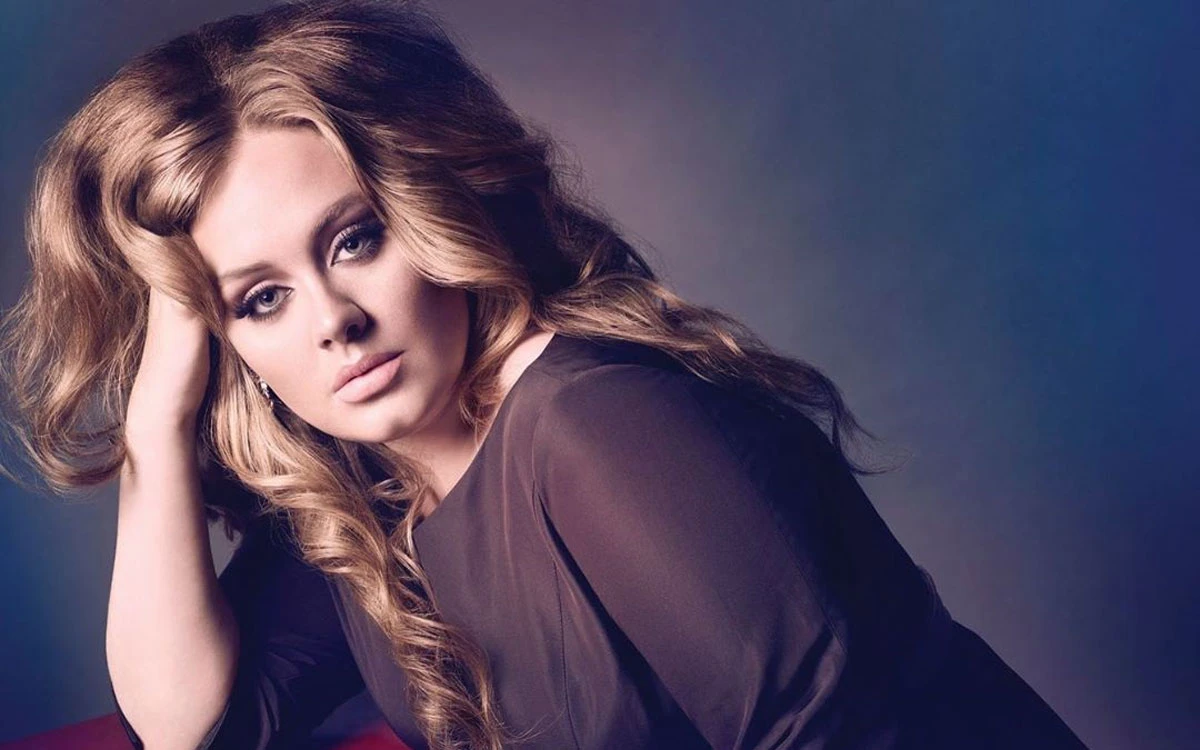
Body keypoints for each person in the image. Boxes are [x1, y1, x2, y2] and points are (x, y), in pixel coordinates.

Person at [0, 1, 1090, 748]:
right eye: (260, 299)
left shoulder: (597, 424)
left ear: (433, 208)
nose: (335, 322)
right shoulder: (369, 487)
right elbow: (191, 725)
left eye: (354, 240)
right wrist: (156, 424)